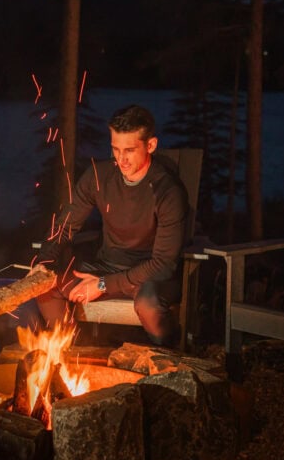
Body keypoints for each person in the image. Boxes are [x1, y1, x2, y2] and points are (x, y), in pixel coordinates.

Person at [31, 104, 189, 347]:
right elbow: (64, 227)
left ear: (151, 145)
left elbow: (163, 265)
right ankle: (69, 352)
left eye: (129, 150)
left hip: (148, 279)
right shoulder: (99, 176)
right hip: (104, 268)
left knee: (148, 303)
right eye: (115, 149)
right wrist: (43, 263)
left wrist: (103, 285)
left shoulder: (168, 191)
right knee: (45, 286)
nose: (121, 159)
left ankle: (168, 356)